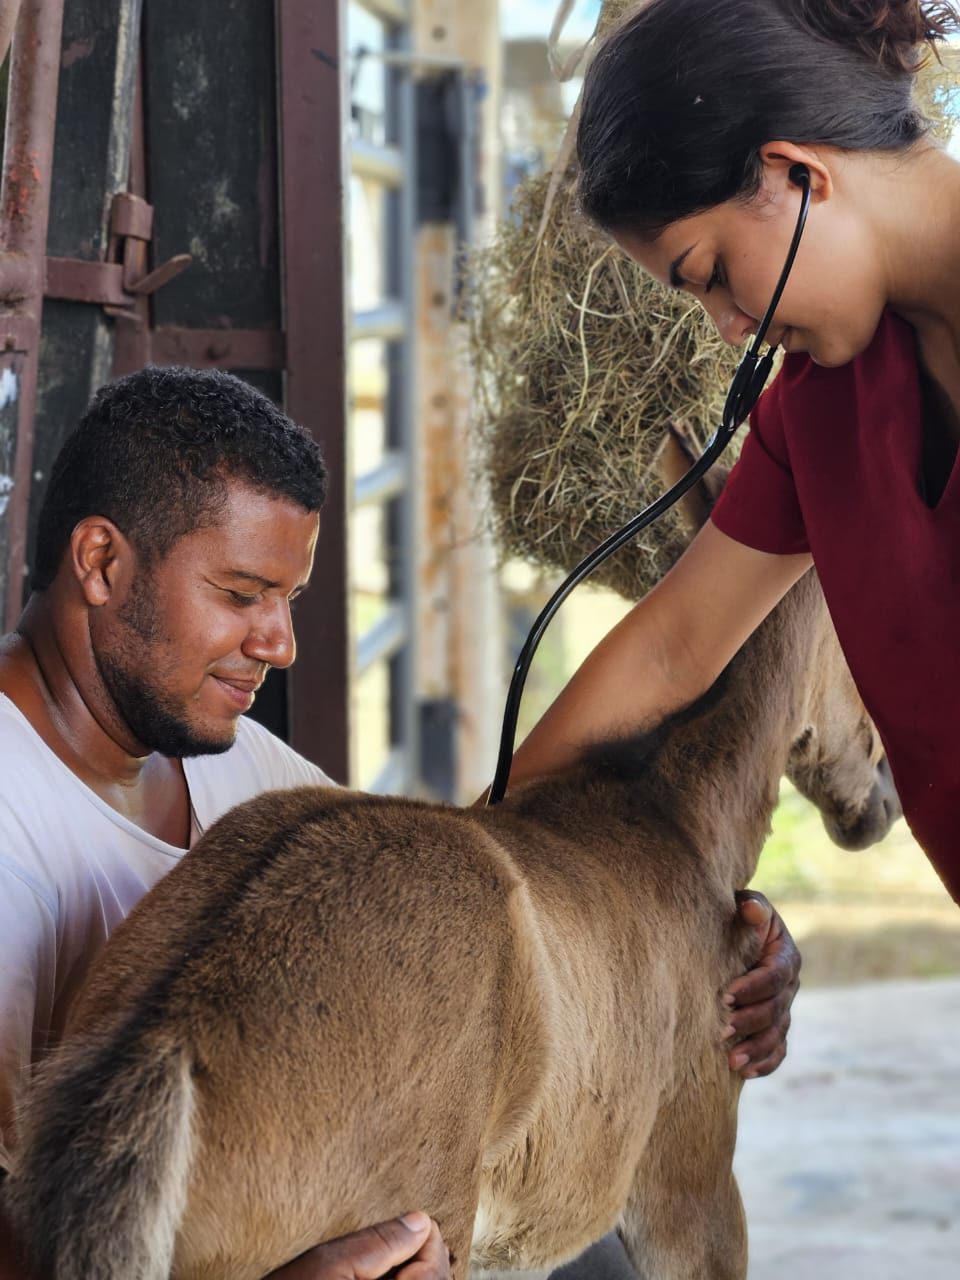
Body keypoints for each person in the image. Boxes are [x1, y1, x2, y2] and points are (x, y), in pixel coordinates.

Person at [510, 0, 960, 1064]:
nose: (725, 327)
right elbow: (672, 650)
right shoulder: (817, 408)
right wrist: (483, 854)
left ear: (794, 174)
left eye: (710, 273)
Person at [0, 366, 449, 1280]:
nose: (277, 643)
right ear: (101, 563)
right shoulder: (10, 815)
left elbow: (437, 899)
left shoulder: (231, 760)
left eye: (288, 600)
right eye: (242, 595)